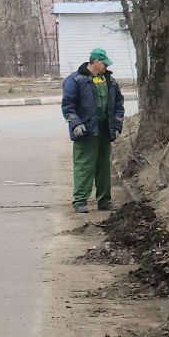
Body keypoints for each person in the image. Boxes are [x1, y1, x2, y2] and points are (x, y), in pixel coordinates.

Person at [62, 48, 125, 213]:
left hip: (105, 131)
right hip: (86, 132)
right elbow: (68, 106)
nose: (106, 67)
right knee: (84, 166)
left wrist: (117, 125)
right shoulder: (75, 80)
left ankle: (104, 201)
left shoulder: (110, 81)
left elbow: (119, 105)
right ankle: (80, 201)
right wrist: (75, 123)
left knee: (104, 167)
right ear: (95, 62)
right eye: (104, 64)